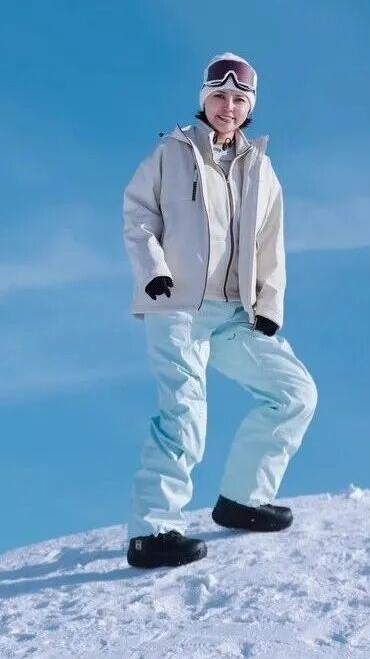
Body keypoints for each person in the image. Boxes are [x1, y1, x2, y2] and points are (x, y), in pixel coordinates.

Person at [122, 52, 318, 569]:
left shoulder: (261, 167)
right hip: (177, 305)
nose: (228, 106)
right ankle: (152, 532)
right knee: (184, 414)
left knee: (294, 393)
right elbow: (138, 215)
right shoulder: (172, 152)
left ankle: (242, 500)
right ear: (203, 100)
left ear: (249, 107)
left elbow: (271, 243)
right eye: (219, 96)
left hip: (235, 313)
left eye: (238, 99)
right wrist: (153, 270)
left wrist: (268, 303)